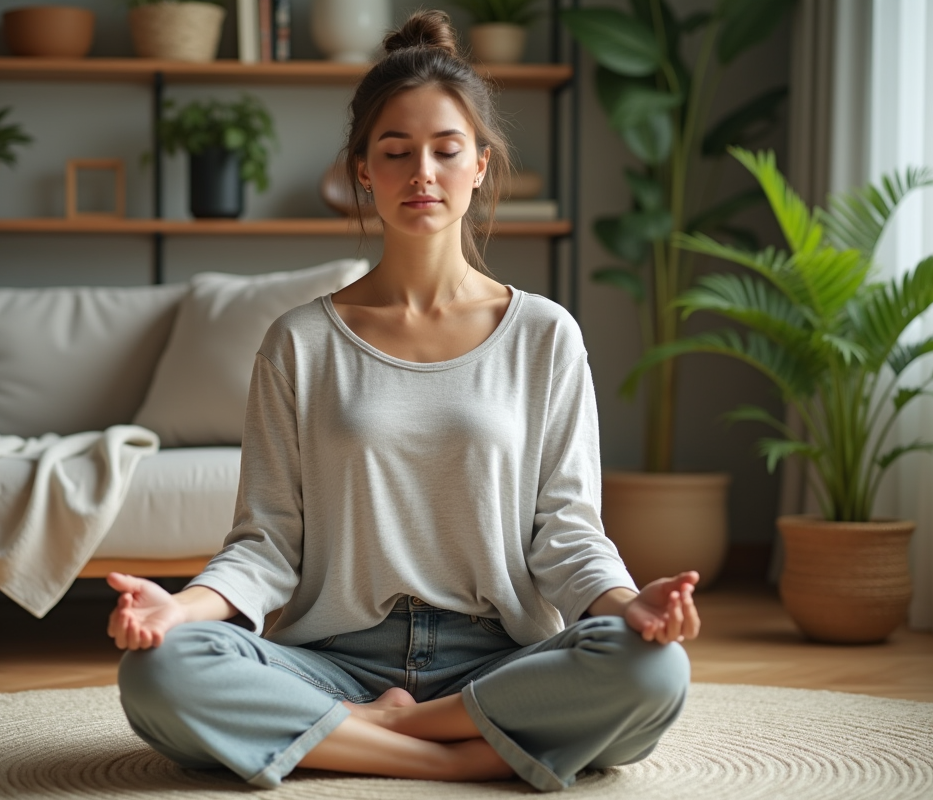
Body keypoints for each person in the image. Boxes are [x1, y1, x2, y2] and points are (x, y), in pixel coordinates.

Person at [107, 10, 700, 792]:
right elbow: (266, 545)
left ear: (480, 165)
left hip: (498, 660)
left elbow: (566, 533)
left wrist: (632, 606)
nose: (422, 172)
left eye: (446, 151)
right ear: (362, 170)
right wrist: (179, 611)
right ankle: (466, 756)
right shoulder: (299, 343)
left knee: (654, 671)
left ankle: (378, 738)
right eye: (395, 151)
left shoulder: (544, 335)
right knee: (159, 676)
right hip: (333, 663)